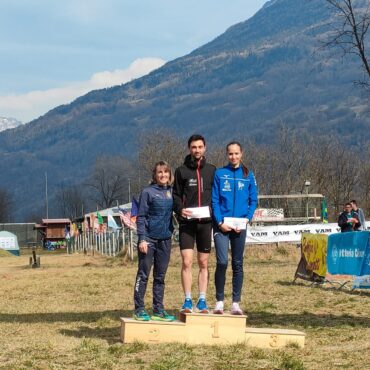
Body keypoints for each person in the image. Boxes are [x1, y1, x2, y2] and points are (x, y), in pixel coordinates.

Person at [212, 141, 258, 315]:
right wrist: (220, 222)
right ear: (227, 154)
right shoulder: (220, 173)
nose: (233, 157)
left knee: (237, 264)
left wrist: (246, 219)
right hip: (222, 225)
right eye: (230, 154)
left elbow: (253, 200)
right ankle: (219, 301)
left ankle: (236, 303)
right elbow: (215, 200)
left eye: (236, 153)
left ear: (242, 154)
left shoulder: (248, 175)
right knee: (222, 262)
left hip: (240, 226)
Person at [173, 134, 216, 313]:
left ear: (205, 148)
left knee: (203, 263)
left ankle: (203, 300)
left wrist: (214, 212)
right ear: (189, 149)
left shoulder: (212, 170)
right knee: (187, 261)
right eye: (193, 147)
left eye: (200, 147)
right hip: (187, 224)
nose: (197, 150)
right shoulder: (181, 171)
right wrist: (179, 209)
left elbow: (217, 195)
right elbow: (175, 194)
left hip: (206, 223)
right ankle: (188, 300)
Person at [133, 161, 175, 321]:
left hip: (165, 239)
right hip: (149, 240)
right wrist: (142, 239)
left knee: (160, 277)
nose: (163, 175)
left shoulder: (172, 192)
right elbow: (141, 216)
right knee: (143, 275)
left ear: (169, 174)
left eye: (166, 172)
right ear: (155, 175)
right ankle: (139, 309)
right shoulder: (147, 192)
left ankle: (158, 309)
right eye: (160, 172)